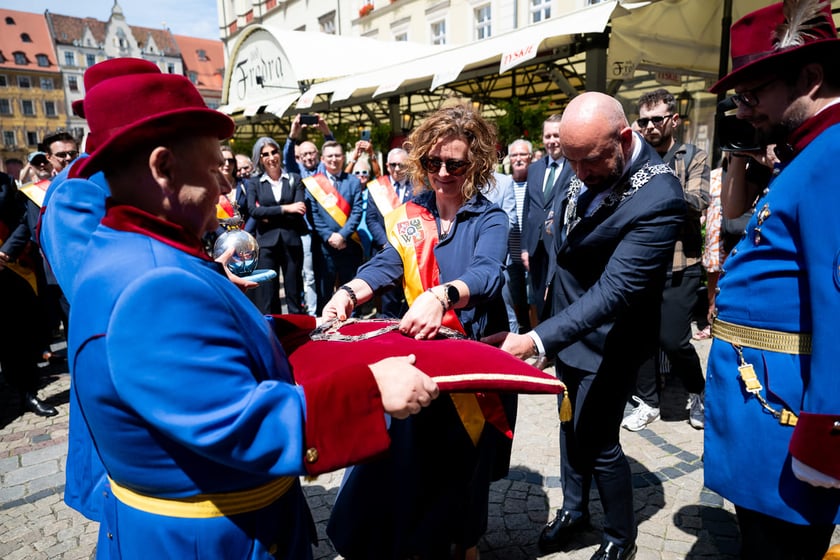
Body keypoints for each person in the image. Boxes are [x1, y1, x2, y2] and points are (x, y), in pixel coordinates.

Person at [63, 63, 438, 560]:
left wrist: (294, 330)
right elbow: (234, 420)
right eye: (215, 165)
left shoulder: (124, 247)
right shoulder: (155, 285)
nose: (224, 185)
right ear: (163, 167)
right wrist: (372, 392)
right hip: (212, 540)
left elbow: (194, 353)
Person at [485, 92, 685, 560]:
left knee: (598, 440)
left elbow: (614, 292)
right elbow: (561, 233)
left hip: (608, 342)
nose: (579, 174)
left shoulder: (659, 197)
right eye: (570, 161)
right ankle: (575, 511)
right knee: (568, 423)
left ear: (624, 138)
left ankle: (620, 537)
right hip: (567, 331)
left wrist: (535, 338)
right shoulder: (586, 160)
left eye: (589, 161)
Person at [321, 104, 515, 560]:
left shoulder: (490, 218)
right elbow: (388, 263)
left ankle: (466, 542)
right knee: (414, 462)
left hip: (473, 362)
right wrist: (348, 293)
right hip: (424, 359)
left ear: (477, 164)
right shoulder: (412, 213)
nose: (443, 172)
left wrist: (442, 295)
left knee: (467, 466)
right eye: (433, 162)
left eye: (455, 163)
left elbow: (488, 273)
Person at [705, 2, 840, 558]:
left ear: (809, 78)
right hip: (766, 412)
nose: (743, 110)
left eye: (753, 93)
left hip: (785, 424)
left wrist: (827, 432)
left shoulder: (831, 155)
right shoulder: (809, 154)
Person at [621, 88, 710, 432]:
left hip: (680, 264)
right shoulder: (634, 157)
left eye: (657, 119)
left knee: (674, 340)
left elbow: (699, 201)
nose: (649, 126)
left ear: (673, 120)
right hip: (642, 263)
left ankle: (698, 391)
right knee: (639, 337)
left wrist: (660, 179)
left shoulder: (691, 156)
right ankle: (648, 401)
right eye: (643, 121)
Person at [0, 171, 58, 417]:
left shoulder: (4, 183)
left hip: (9, 266)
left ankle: (27, 395)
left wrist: (6, 251)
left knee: (17, 337)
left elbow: (23, 218)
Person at [247, 136, 307, 314]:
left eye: (274, 152)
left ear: (279, 154)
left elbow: (300, 209)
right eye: (265, 154)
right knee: (268, 295)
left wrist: (267, 212)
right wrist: (286, 208)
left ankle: (298, 334)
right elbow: (253, 211)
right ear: (260, 158)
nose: (271, 157)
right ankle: (273, 335)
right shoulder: (255, 183)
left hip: (291, 241)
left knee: (294, 293)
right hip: (266, 245)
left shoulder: (294, 179)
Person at [521, 114, 573, 322]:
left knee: (559, 296)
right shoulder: (534, 169)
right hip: (536, 246)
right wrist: (524, 248)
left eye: (556, 135)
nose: (552, 141)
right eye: (547, 136)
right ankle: (542, 345)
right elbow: (527, 210)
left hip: (560, 245)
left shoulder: (574, 167)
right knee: (538, 296)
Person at [304, 140, 364, 313]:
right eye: (330, 156)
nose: (334, 159)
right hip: (324, 247)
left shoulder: (353, 181)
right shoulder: (314, 184)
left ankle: (354, 327)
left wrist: (342, 235)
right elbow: (312, 214)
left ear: (343, 157)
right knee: (325, 292)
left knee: (352, 292)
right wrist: (329, 236)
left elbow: (357, 211)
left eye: (337, 155)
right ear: (322, 159)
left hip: (349, 245)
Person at [284, 114, 334, 317]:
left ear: (317, 155)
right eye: (304, 154)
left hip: (326, 232)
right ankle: (313, 314)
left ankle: (329, 308)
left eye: (312, 153)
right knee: (310, 276)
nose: (308, 157)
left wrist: (326, 131)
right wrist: (292, 135)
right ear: (299, 157)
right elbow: (287, 156)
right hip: (306, 232)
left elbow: (332, 151)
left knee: (328, 274)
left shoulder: (324, 169)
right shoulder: (297, 172)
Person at [365, 147, 412, 318]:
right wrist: (387, 242)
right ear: (387, 166)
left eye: (402, 165)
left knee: (410, 299)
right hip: (385, 250)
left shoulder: (420, 187)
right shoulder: (377, 188)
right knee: (388, 300)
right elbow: (371, 219)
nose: (397, 169)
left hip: (411, 252)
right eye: (393, 165)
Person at [505, 138, 534, 333]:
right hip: (511, 252)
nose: (518, 159)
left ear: (530, 157)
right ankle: (520, 331)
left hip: (532, 252)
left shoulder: (538, 183)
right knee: (515, 294)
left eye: (522, 154)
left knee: (533, 296)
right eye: (514, 155)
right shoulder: (503, 184)